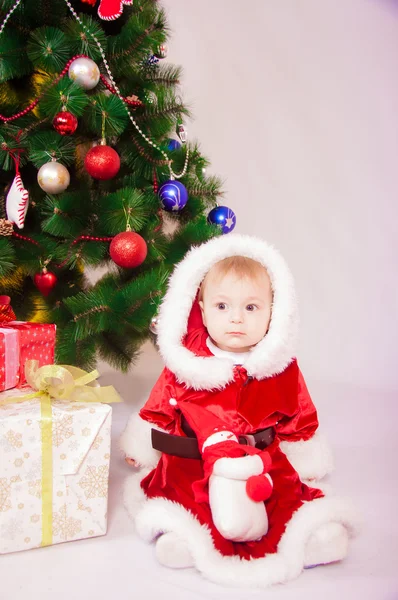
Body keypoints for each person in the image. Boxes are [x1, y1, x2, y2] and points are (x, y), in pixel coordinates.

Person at [120, 234, 357, 588]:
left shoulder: (280, 367)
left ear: (274, 312)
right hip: (197, 459)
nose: (236, 319)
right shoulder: (186, 366)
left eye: (251, 308)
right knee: (191, 497)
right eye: (222, 307)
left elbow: (299, 416)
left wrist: (307, 459)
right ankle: (189, 539)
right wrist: (142, 448)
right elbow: (159, 409)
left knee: (281, 498)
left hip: (261, 459)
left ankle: (307, 541)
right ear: (200, 309)